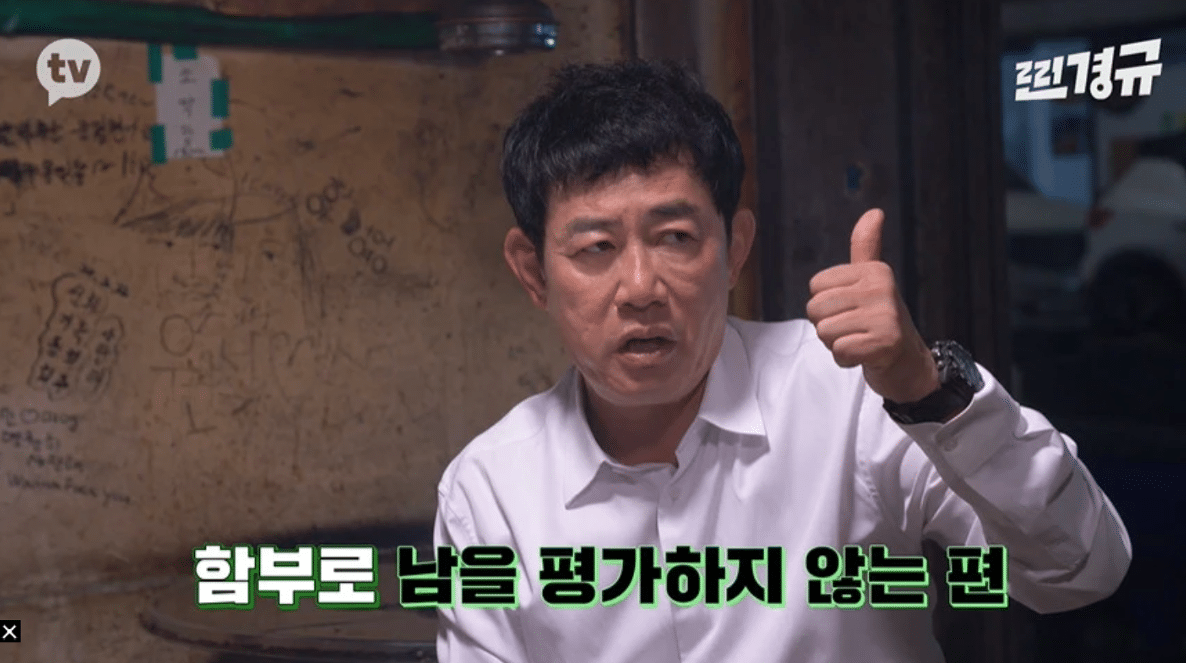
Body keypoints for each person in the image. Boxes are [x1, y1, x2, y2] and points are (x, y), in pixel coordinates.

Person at [432, 58, 1131, 662]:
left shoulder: (854, 398)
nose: (640, 287)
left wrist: (927, 390)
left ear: (734, 249)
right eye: (596, 248)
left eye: (675, 237)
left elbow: (1080, 568)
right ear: (534, 272)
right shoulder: (491, 492)